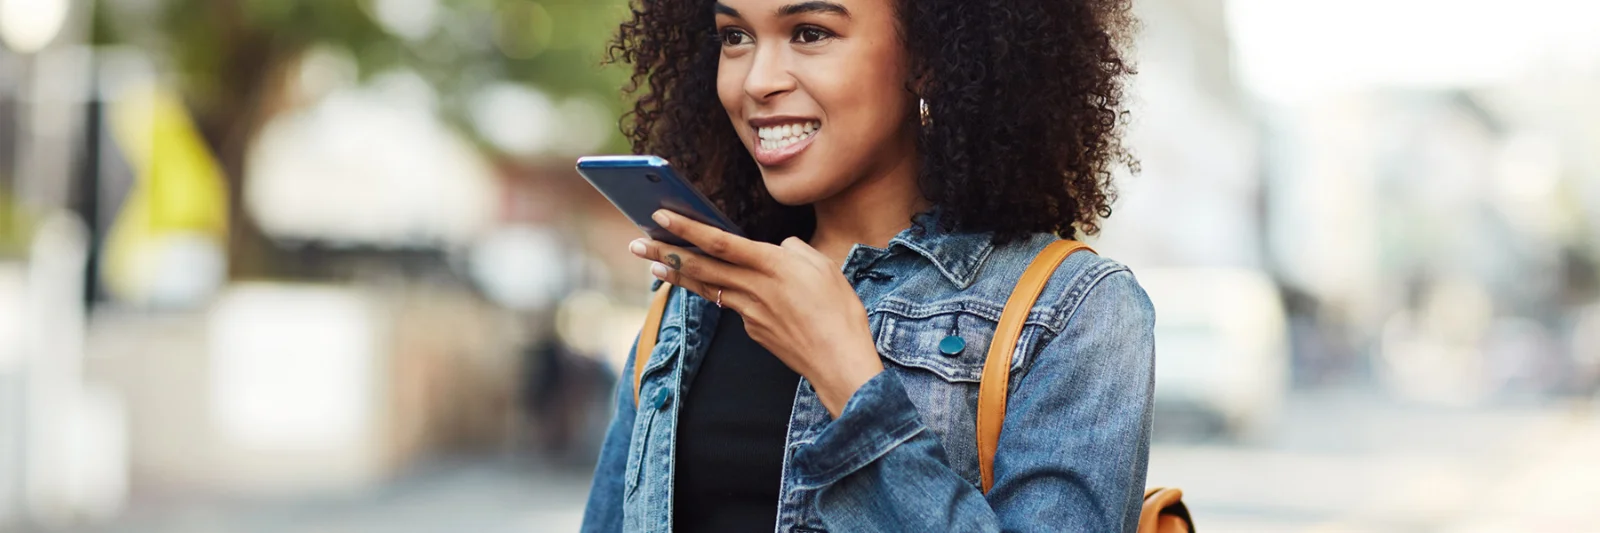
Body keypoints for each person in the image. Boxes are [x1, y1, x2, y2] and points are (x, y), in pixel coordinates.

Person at [581, 0, 1152, 530]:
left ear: (926, 56)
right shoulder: (694, 302)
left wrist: (850, 380)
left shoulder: (1074, 309)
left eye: (810, 33)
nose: (756, 81)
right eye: (735, 37)